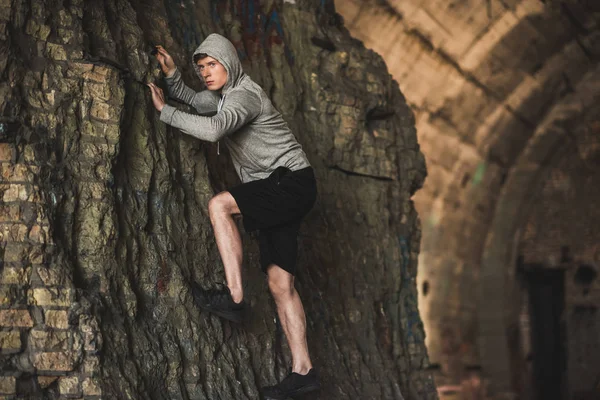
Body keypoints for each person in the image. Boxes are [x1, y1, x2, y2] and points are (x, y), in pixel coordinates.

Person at [147, 33, 320, 399]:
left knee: (219, 205)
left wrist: (165, 113)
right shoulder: (225, 95)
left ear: (230, 64)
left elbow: (213, 129)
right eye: (202, 67)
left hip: (289, 183)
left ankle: (235, 297)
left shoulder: (243, 95)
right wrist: (174, 75)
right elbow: (198, 101)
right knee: (279, 283)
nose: (207, 73)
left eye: (213, 65)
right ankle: (303, 371)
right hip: (287, 186)